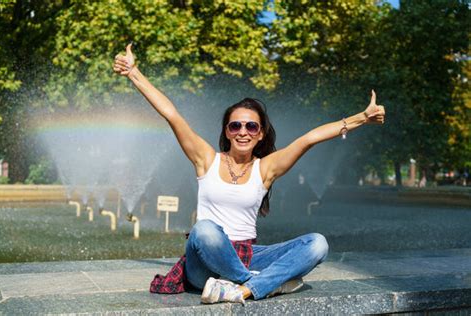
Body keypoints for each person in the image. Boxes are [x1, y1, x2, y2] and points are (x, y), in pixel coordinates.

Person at [113, 44, 385, 304]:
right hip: (203, 265)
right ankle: (265, 285)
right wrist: (134, 73)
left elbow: (309, 138)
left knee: (317, 244)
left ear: (260, 134)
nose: (243, 131)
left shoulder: (265, 168)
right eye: (235, 126)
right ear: (227, 132)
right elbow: (172, 115)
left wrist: (362, 117)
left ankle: (241, 289)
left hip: (247, 255)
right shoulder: (206, 159)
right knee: (204, 230)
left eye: (251, 126)